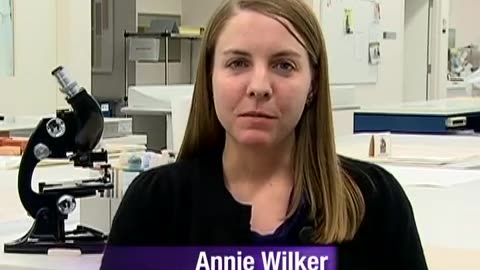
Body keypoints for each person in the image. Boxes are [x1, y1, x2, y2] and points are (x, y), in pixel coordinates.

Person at [101, 0, 428, 269]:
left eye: (284, 65)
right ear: (210, 76)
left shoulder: (373, 201)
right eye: (238, 63)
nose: (259, 86)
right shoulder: (155, 205)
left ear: (313, 84)